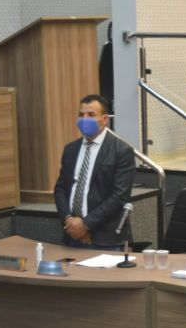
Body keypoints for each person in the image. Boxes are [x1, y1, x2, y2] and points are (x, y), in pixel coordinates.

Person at [54, 94, 135, 250]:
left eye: (91, 115)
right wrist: (69, 220)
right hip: (72, 235)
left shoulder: (121, 151)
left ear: (104, 119)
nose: (84, 119)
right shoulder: (70, 149)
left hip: (105, 239)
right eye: (81, 114)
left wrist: (85, 224)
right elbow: (60, 188)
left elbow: (120, 195)